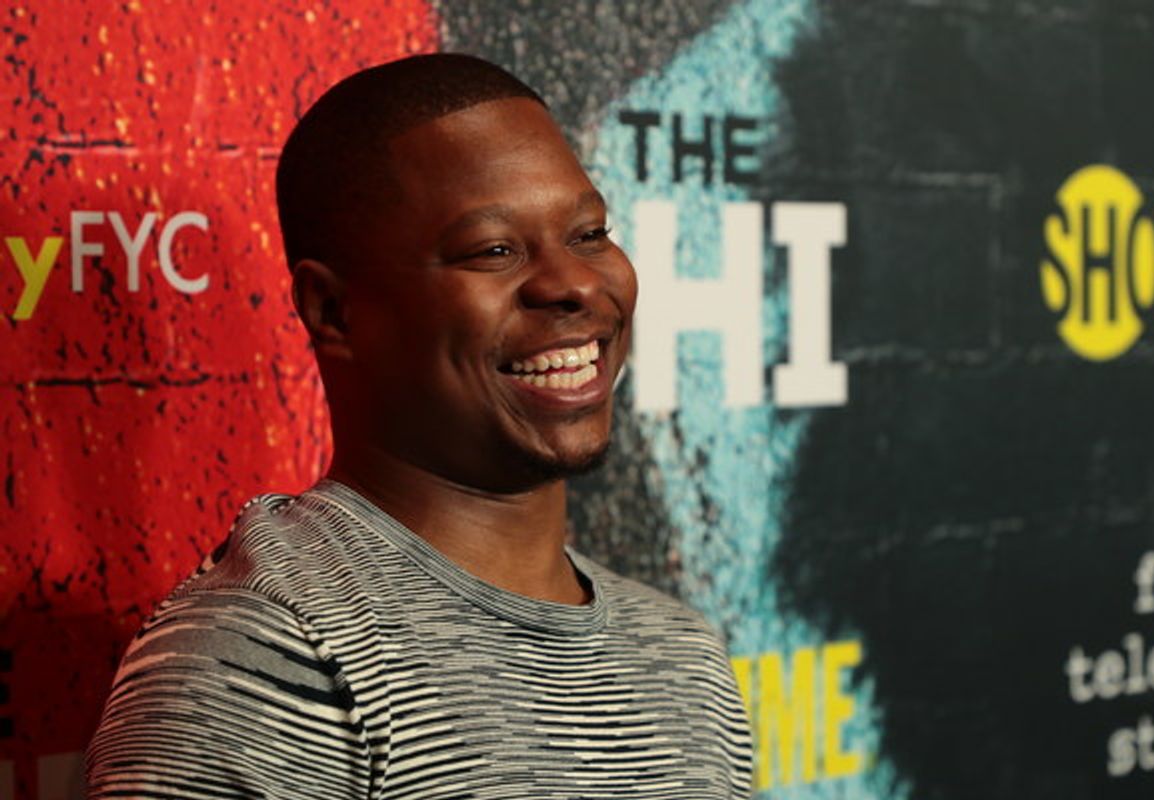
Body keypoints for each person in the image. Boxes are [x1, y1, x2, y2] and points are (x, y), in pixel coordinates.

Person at [86, 53, 753, 799]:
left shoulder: (681, 655)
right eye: (494, 250)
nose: (572, 283)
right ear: (334, 311)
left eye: (590, 233)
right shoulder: (268, 656)